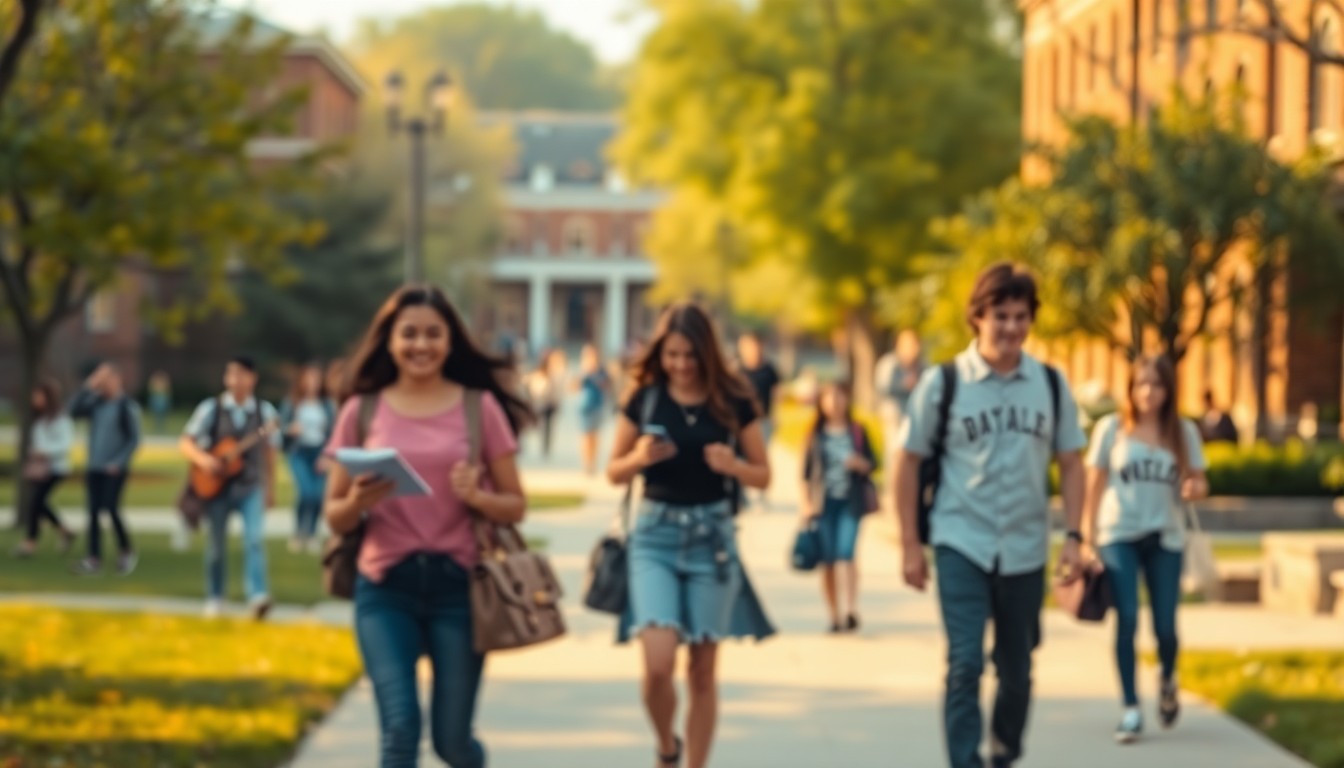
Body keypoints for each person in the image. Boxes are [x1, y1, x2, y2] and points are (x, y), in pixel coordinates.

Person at [323, 285, 530, 768]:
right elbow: (333, 516)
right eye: (409, 334)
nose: (421, 345)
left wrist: (478, 496)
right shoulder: (363, 409)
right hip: (384, 587)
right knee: (398, 731)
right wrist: (357, 500)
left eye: (433, 334)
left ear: (450, 341)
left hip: (458, 589)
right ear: (390, 342)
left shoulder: (480, 408)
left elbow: (517, 506)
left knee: (452, 744)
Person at [894, 263, 1087, 768]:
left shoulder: (1049, 383)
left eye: (1021, 316)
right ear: (977, 317)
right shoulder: (945, 383)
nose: (1011, 328)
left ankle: (1004, 748)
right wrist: (911, 544)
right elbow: (907, 462)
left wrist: (1074, 535)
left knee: (1017, 669)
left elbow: (1071, 462)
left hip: (1024, 547)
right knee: (963, 664)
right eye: (1000, 315)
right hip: (961, 540)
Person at [606, 302, 775, 768]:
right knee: (658, 665)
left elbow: (764, 475)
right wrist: (639, 457)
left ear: (707, 354)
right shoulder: (646, 397)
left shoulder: (732, 399)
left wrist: (735, 466)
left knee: (702, 673)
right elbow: (613, 473)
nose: (680, 365)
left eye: (690, 356)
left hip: (712, 540)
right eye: (672, 355)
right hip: (654, 537)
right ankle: (666, 745)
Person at [1081, 355, 1209, 744]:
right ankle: (1131, 708)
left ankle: (1168, 677)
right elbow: (1095, 484)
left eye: (1156, 384)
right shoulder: (1112, 429)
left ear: (1169, 390)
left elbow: (1200, 481)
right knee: (1129, 618)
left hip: (1165, 536)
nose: (1148, 392)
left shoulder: (1182, 432)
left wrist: (1194, 489)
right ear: (1130, 389)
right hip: (1119, 533)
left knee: (1166, 627)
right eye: (1141, 384)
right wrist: (1087, 537)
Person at [179, 356, 280, 620]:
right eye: (232, 374)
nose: (236, 380)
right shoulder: (210, 409)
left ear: (252, 378)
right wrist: (205, 460)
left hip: (250, 486)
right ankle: (215, 597)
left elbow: (271, 454)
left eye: (242, 374)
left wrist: (271, 489)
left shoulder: (265, 412)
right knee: (215, 545)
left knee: (255, 540)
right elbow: (186, 442)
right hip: (217, 487)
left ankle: (258, 595)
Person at [800, 380, 877, 633]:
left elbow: (873, 463)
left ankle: (851, 609)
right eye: (829, 397)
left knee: (847, 553)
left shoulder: (857, 431)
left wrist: (859, 464)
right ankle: (834, 615)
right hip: (823, 505)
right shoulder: (814, 434)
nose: (834, 402)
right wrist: (806, 504)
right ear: (821, 402)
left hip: (850, 502)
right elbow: (805, 474)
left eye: (839, 397)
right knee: (829, 560)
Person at [69, 363, 142, 576]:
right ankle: (93, 558)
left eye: (106, 378)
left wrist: (118, 462)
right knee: (92, 512)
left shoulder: (126, 406)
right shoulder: (96, 404)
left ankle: (126, 549)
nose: (103, 382)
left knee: (110, 508)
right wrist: (87, 387)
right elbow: (72, 411)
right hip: (95, 466)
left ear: (117, 380)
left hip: (114, 469)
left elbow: (133, 440)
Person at [14, 379, 77, 557]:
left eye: (38, 396)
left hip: (56, 468)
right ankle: (65, 531)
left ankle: (30, 542)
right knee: (39, 503)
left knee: (35, 503)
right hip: (39, 468)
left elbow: (66, 443)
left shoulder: (60, 418)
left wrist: (45, 451)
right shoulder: (39, 419)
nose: (34, 399)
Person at [280, 363, 336, 554]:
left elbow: (334, 433)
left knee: (318, 495)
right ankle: (298, 533)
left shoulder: (327, 405)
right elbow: (281, 429)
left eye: (316, 379)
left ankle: (311, 534)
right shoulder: (293, 402)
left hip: (319, 453)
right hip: (299, 452)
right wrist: (290, 429)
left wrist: (328, 455)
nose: (313, 383)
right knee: (305, 493)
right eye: (309, 379)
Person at [738, 331, 782, 508]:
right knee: (740, 457)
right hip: (741, 421)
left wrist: (776, 416)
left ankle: (761, 495)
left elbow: (777, 393)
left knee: (760, 456)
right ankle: (741, 494)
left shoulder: (769, 369)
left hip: (763, 420)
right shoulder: (738, 369)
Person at [874, 330, 924, 470]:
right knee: (895, 453)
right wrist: (904, 385)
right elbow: (882, 386)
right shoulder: (890, 363)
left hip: (916, 416)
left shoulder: (921, 365)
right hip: (895, 416)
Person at [575, 342, 610, 475]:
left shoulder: (602, 370)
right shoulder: (582, 370)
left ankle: (593, 461)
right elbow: (574, 387)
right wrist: (584, 374)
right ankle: (586, 462)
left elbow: (607, 385)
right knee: (585, 436)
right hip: (584, 407)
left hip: (597, 406)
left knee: (594, 436)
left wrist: (594, 375)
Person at [524, 348, 563, 459]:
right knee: (542, 425)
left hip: (549, 403)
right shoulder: (536, 373)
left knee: (548, 426)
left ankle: (546, 446)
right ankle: (543, 444)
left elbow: (555, 389)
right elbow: (530, 387)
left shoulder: (553, 374)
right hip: (540, 403)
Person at [147, 370, 172, 434]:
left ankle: (161, 427)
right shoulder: (155, 380)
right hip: (156, 397)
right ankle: (156, 427)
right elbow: (151, 388)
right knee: (156, 414)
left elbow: (167, 388)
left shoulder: (164, 381)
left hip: (162, 398)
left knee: (162, 414)